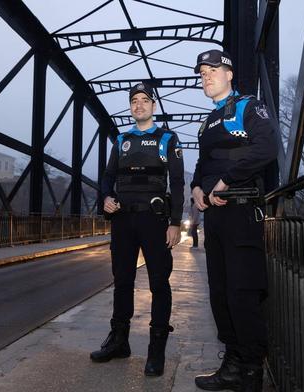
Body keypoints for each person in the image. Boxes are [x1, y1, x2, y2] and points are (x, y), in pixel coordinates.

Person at [190, 49, 278, 391]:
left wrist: (227, 180)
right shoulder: (207, 121)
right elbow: (202, 165)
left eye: (212, 69)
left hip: (241, 210)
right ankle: (232, 363)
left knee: (243, 292)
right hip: (214, 216)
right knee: (220, 293)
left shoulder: (248, 106)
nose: (206, 76)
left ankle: (252, 372)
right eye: (201, 73)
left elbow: (265, 148)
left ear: (229, 73)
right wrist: (197, 188)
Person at [90, 82, 184, 377]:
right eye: (134, 101)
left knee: (159, 284)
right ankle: (119, 341)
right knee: (122, 281)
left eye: (144, 100)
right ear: (130, 107)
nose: (139, 105)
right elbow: (107, 177)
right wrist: (105, 197)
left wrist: (175, 222)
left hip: (154, 221)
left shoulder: (167, 138)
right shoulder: (122, 140)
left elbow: (178, 183)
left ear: (153, 105)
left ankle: (156, 350)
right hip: (123, 221)